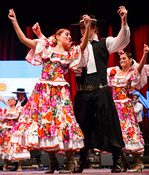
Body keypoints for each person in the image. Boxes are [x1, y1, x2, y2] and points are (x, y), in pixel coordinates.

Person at [8, 9, 91, 173]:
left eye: (69, 35)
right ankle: (52, 162)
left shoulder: (70, 53)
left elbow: (84, 44)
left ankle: (69, 162)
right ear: (57, 37)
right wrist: (14, 21)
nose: (69, 36)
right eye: (65, 34)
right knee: (45, 124)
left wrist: (87, 27)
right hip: (44, 91)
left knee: (64, 123)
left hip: (60, 92)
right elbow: (24, 39)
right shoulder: (45, 48)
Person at [66, 6, 130, 173]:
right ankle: (82, 160)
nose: (85, 28)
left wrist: (123, 21)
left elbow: (122, 42)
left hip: (101, 90)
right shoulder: (74, 47)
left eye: (89, 25)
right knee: (82, 126)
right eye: (82, 26)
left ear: (96, 27)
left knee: (110, 125)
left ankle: (117, 160)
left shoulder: (104, 42)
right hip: (83, 93)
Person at [107, 44, 149, 172]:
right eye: (121, 59)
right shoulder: (114, 72)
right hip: (114, 106)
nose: (122, 61)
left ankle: (138, 162)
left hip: (124, 107)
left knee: (129, 132)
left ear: (131, 61)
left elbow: (140, 69)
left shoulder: (130, 74)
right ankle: (124, 162)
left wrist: (145, 54)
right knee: (116, 135)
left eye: (124, 59)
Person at [0, 96, 30, 171]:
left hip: (16, 131)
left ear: (15, 101)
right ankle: (6, 165)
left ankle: (19, 165)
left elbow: (27, 108)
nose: (10, 101)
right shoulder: (5, 111)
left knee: (17, 147)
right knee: (7, 147)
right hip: (7, 132)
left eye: (11, 99)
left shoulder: (19, 110)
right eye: (8, 100)